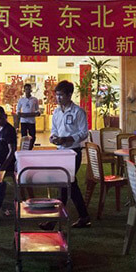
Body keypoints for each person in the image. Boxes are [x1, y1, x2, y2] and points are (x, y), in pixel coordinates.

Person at [47, 80, 91, 228]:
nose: (58, 98)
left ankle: (55, 220)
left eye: (61, 95)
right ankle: (82, 217)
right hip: (60, 151)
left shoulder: (78, 111)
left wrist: (68, 139)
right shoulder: (57, 111)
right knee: (68, 185)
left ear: (69, 95)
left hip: (73, 152)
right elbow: (54, 129)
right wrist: (54, 138)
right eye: (57, 95)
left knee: (67, 184)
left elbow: (84, 133)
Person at [0, 106, 17, 210]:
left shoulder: (9, 130)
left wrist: (3, 168)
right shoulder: (0, 130)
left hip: (7, 164)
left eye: (0, 118)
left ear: (5, 116)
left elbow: (12, 151)